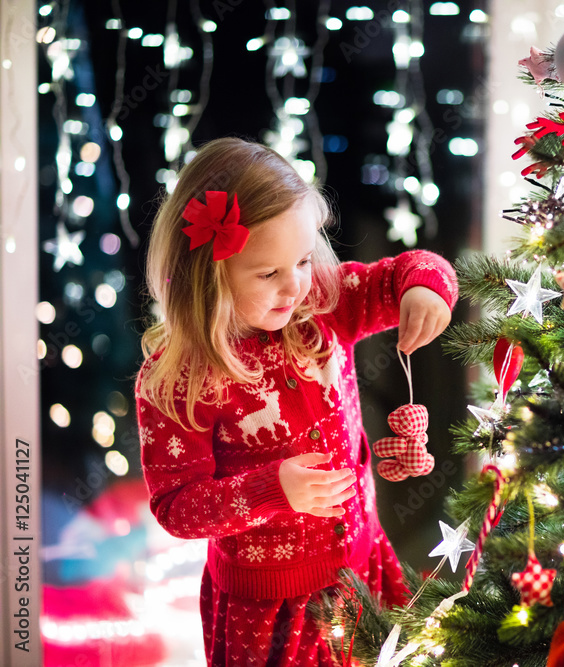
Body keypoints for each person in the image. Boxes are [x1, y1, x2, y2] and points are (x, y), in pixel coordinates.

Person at [134, 137, 458, 666]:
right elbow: (177, 508)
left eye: (304, 260)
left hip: (361, 567)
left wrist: (424, 288)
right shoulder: (179, 378)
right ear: (208, 275)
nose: (295, 286)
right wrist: (271, 490)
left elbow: (409, 269)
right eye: (268, 274)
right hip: (268, 610)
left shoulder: (324, 305)